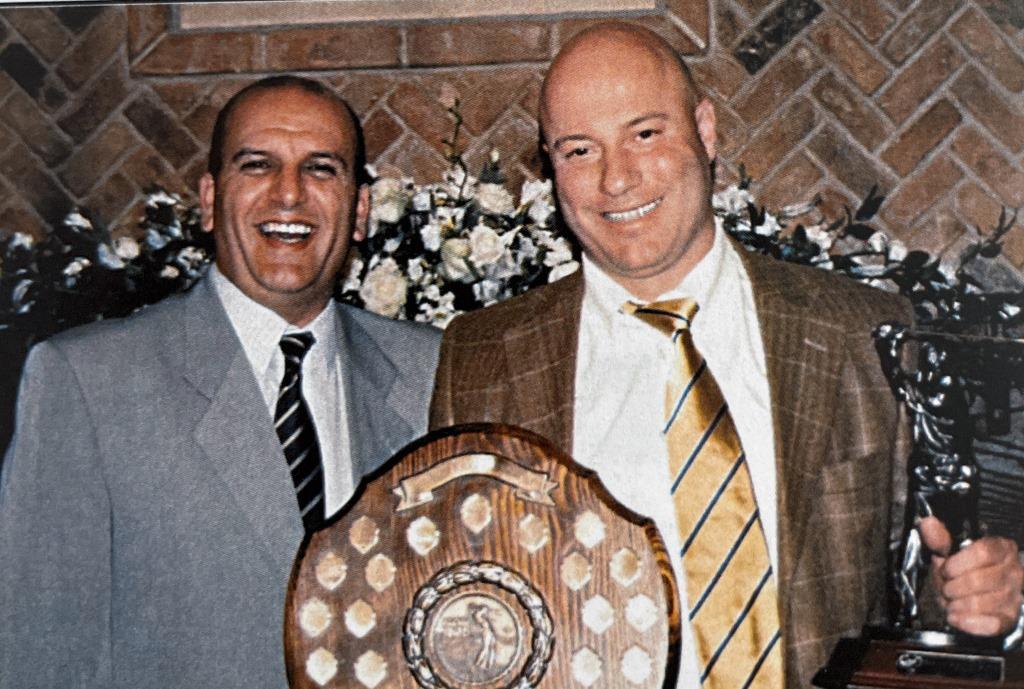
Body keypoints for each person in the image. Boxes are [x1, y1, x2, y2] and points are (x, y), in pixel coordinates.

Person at [429, 22, 1023, 688]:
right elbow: (459, 616)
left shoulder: (862, 331)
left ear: (706, 131)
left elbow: (919, 582)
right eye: (578, 150)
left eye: (645, 134)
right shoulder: (480, 359)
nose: (616, 179)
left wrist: (969, 596)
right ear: (548, 165)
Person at [0, 76, 440, 689]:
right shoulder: (89, 384)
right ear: (208, 201)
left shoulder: (435, 374)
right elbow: (38, 658)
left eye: (321, 170)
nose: (289, 195)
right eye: (257, 166)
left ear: (360, 210)